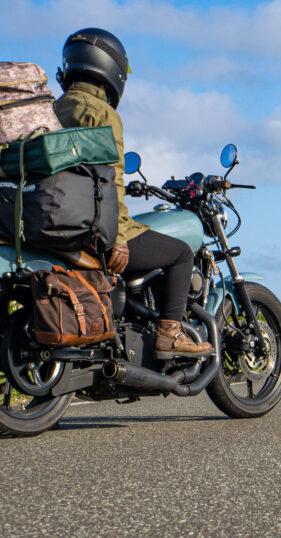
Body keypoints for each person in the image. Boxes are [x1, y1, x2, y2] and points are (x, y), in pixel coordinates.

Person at [54, 28, 212, 358]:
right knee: (182, 253)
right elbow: (110, 177)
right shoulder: (102, 113)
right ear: (110, 70)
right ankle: (169, 333)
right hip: (97, 229)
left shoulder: (51, 110)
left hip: (59, 223)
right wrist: (119, 238)